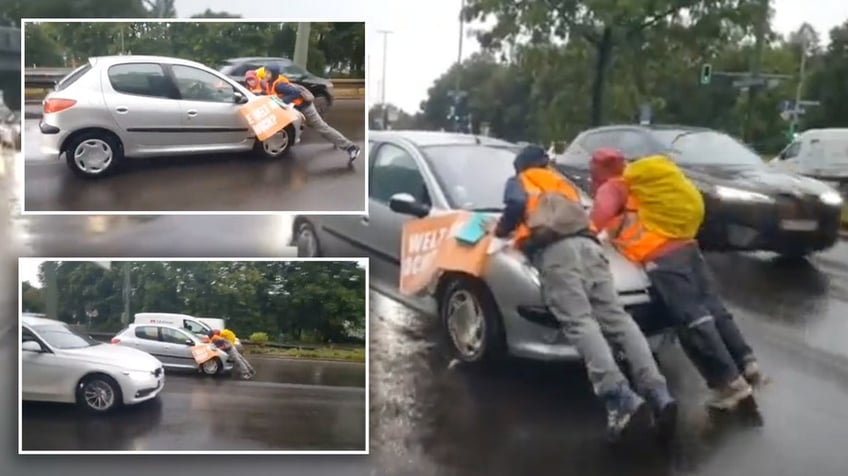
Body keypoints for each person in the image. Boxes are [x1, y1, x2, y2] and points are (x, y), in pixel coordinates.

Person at [493, 145, 677, 441]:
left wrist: (500, 232)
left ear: (520, 166)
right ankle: (658, 391)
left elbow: (515, 206)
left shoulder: (520, 180)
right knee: (617, 319)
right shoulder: (562, 182)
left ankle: (619, 396)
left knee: (580, 322)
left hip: (556, 252)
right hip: (591, 247)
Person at [589, 148, 769, 410]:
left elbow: (599, 216)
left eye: (594, 174)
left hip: (661, 256)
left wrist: (583, 232)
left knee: (692, 320)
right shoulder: (645, 184)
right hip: (687, 246)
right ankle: (747, 364)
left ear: (600, 171)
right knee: (713, 308)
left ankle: (730, 384)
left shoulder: (614, 187)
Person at [263, 62, 361, 163]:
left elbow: (295, 93)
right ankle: (336, 140)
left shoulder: (279, 85)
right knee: (319, 127)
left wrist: (282, 101)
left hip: (305, 108)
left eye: (268, 73)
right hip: (296, 110)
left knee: (322, 128)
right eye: (265, 72)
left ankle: (351, 147)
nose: (265, 74)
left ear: (274, 74)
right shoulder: (270, 83)